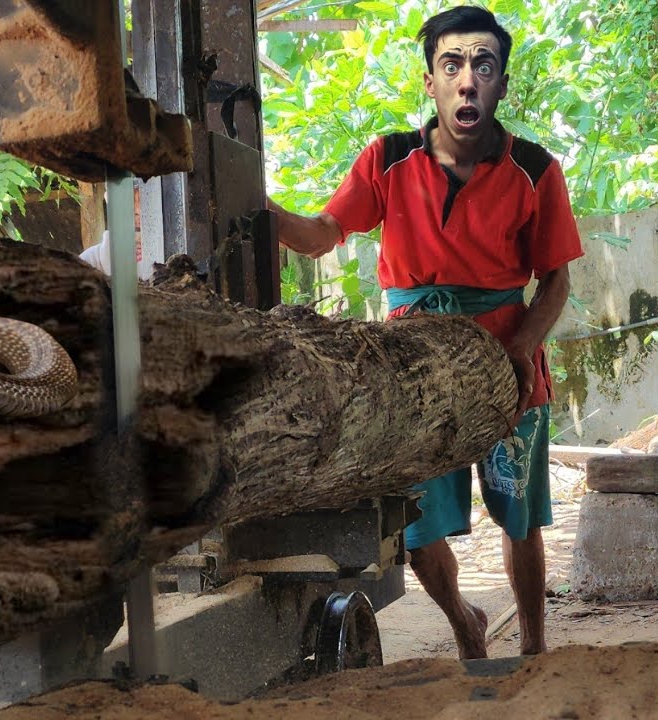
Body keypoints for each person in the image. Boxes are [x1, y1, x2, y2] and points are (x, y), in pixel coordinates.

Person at [267, 5, 583, 659]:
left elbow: (555, 283)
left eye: (484, 65)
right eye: (452, 64)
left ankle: (532, 645)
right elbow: (322, 235)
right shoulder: (386, 158)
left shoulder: (535, 168)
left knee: (517, 515)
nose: (468, 80)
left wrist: (521, 349)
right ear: (429, 81)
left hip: (509, 367)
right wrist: (266, 212)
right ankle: (465, 625)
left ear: (500, 84)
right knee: (413, 528)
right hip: (409, 369)